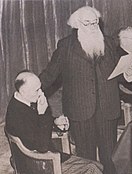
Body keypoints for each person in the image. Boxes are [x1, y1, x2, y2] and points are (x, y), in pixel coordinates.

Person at [39, 6, 120, 174]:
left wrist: (128, 74)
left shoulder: (109, 43)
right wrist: (30, 91)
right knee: (86, 158)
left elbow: (118, 71)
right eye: (88, 23)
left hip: (107, 107)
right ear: (77, 25)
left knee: (111, 156)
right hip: (80, 110)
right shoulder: (65, 46)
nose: (93, 26)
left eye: (95, 22)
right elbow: (50, 74)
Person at [5, 70, 103, 174]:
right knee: (93, 168)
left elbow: (34, 125)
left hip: (43, 156)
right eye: (37, 90)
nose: (41, 93)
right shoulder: (17, 114)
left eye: (40, 88)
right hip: (41, 163)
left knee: (99, 166)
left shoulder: (21, 101)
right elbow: (42, 147)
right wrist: (42, 114)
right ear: (23, 91)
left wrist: (54, 121)